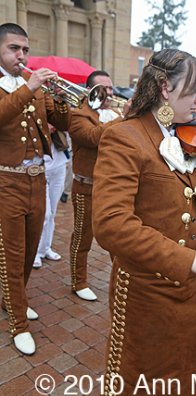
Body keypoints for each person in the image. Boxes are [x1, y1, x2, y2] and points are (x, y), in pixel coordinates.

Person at [92, 49, 196, 396]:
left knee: (189, 372)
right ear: (166, 88)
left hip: (191, 289)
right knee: (143, 379)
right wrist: (189, 259)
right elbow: (111, 223)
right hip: (146, 289)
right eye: (193, 88)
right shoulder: (125, 136)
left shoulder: (188, 136)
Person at [0, 23, 71, 355]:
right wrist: (30, 87)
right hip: (6, 182)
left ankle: (13, 299)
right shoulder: (20, 87)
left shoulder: (35, 88)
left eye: (25, 50)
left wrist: (61, 99)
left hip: (37, 179)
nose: (22, 55)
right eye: (15, 48)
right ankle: (18, 322)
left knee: (31, 251)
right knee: (12, 256)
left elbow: (65, 124)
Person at [69, 70, 120, 301]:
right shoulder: (79, 114)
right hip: (86, 187)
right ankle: (78, 281)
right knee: (82, 237)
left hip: (111, 188)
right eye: (103, 88)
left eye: (110, 88)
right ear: (90, 90)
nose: (109, 93)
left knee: (118, 238)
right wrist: (124, 119)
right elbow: (92, 137)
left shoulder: (116, 112)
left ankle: (120, 281)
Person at [33, 125, 69, 268]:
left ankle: (45, 248)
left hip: (59, 166)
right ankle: (35, 252)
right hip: (41, 168)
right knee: (44, 214)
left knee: (52, 213)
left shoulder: (58, 108)